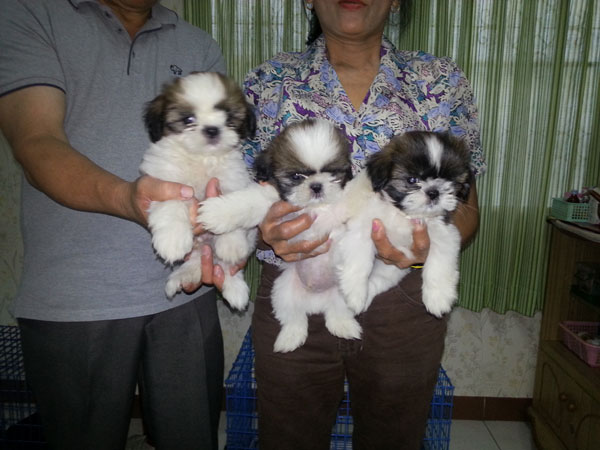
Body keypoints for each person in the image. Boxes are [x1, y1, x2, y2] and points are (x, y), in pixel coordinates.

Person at [242, 1, 485, 449]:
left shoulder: (440, 79)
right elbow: (241, 193)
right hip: (297, 281)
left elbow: (467, 206)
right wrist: (262, 231)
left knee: (394, 436)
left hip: (403, 301)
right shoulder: (267, 81)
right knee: (288, 436)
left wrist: (425, 255)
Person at [0, 1, 228, 449]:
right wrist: (128, 198)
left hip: (188, 291)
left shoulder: (198, 44)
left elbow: (219, 155)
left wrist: (228, 234)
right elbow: (36, 141)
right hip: (75, 297)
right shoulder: (28, 13)